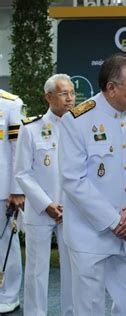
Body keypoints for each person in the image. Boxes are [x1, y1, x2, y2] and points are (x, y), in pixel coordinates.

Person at [58, 53, 126, 315]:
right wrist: (114, 222)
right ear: (111, 88)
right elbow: (74, 180)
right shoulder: (78, 120)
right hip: (89, 233)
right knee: (89, 306)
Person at [14, 74, 75, 316]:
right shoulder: (31, 128)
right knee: (36, 270)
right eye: (63, 93)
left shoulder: (81, 126)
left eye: (72, 93)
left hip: (72, 210)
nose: (70, 98)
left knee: (72, 269)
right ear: (48, 96)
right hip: (40, 210)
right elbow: (22, 173)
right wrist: (47, 204)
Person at [0, 89, 24, 314]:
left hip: (2, 188)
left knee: (5, 244)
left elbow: (19, 149)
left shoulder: (10, 104)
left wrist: (17, 190)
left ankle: (9, 295)